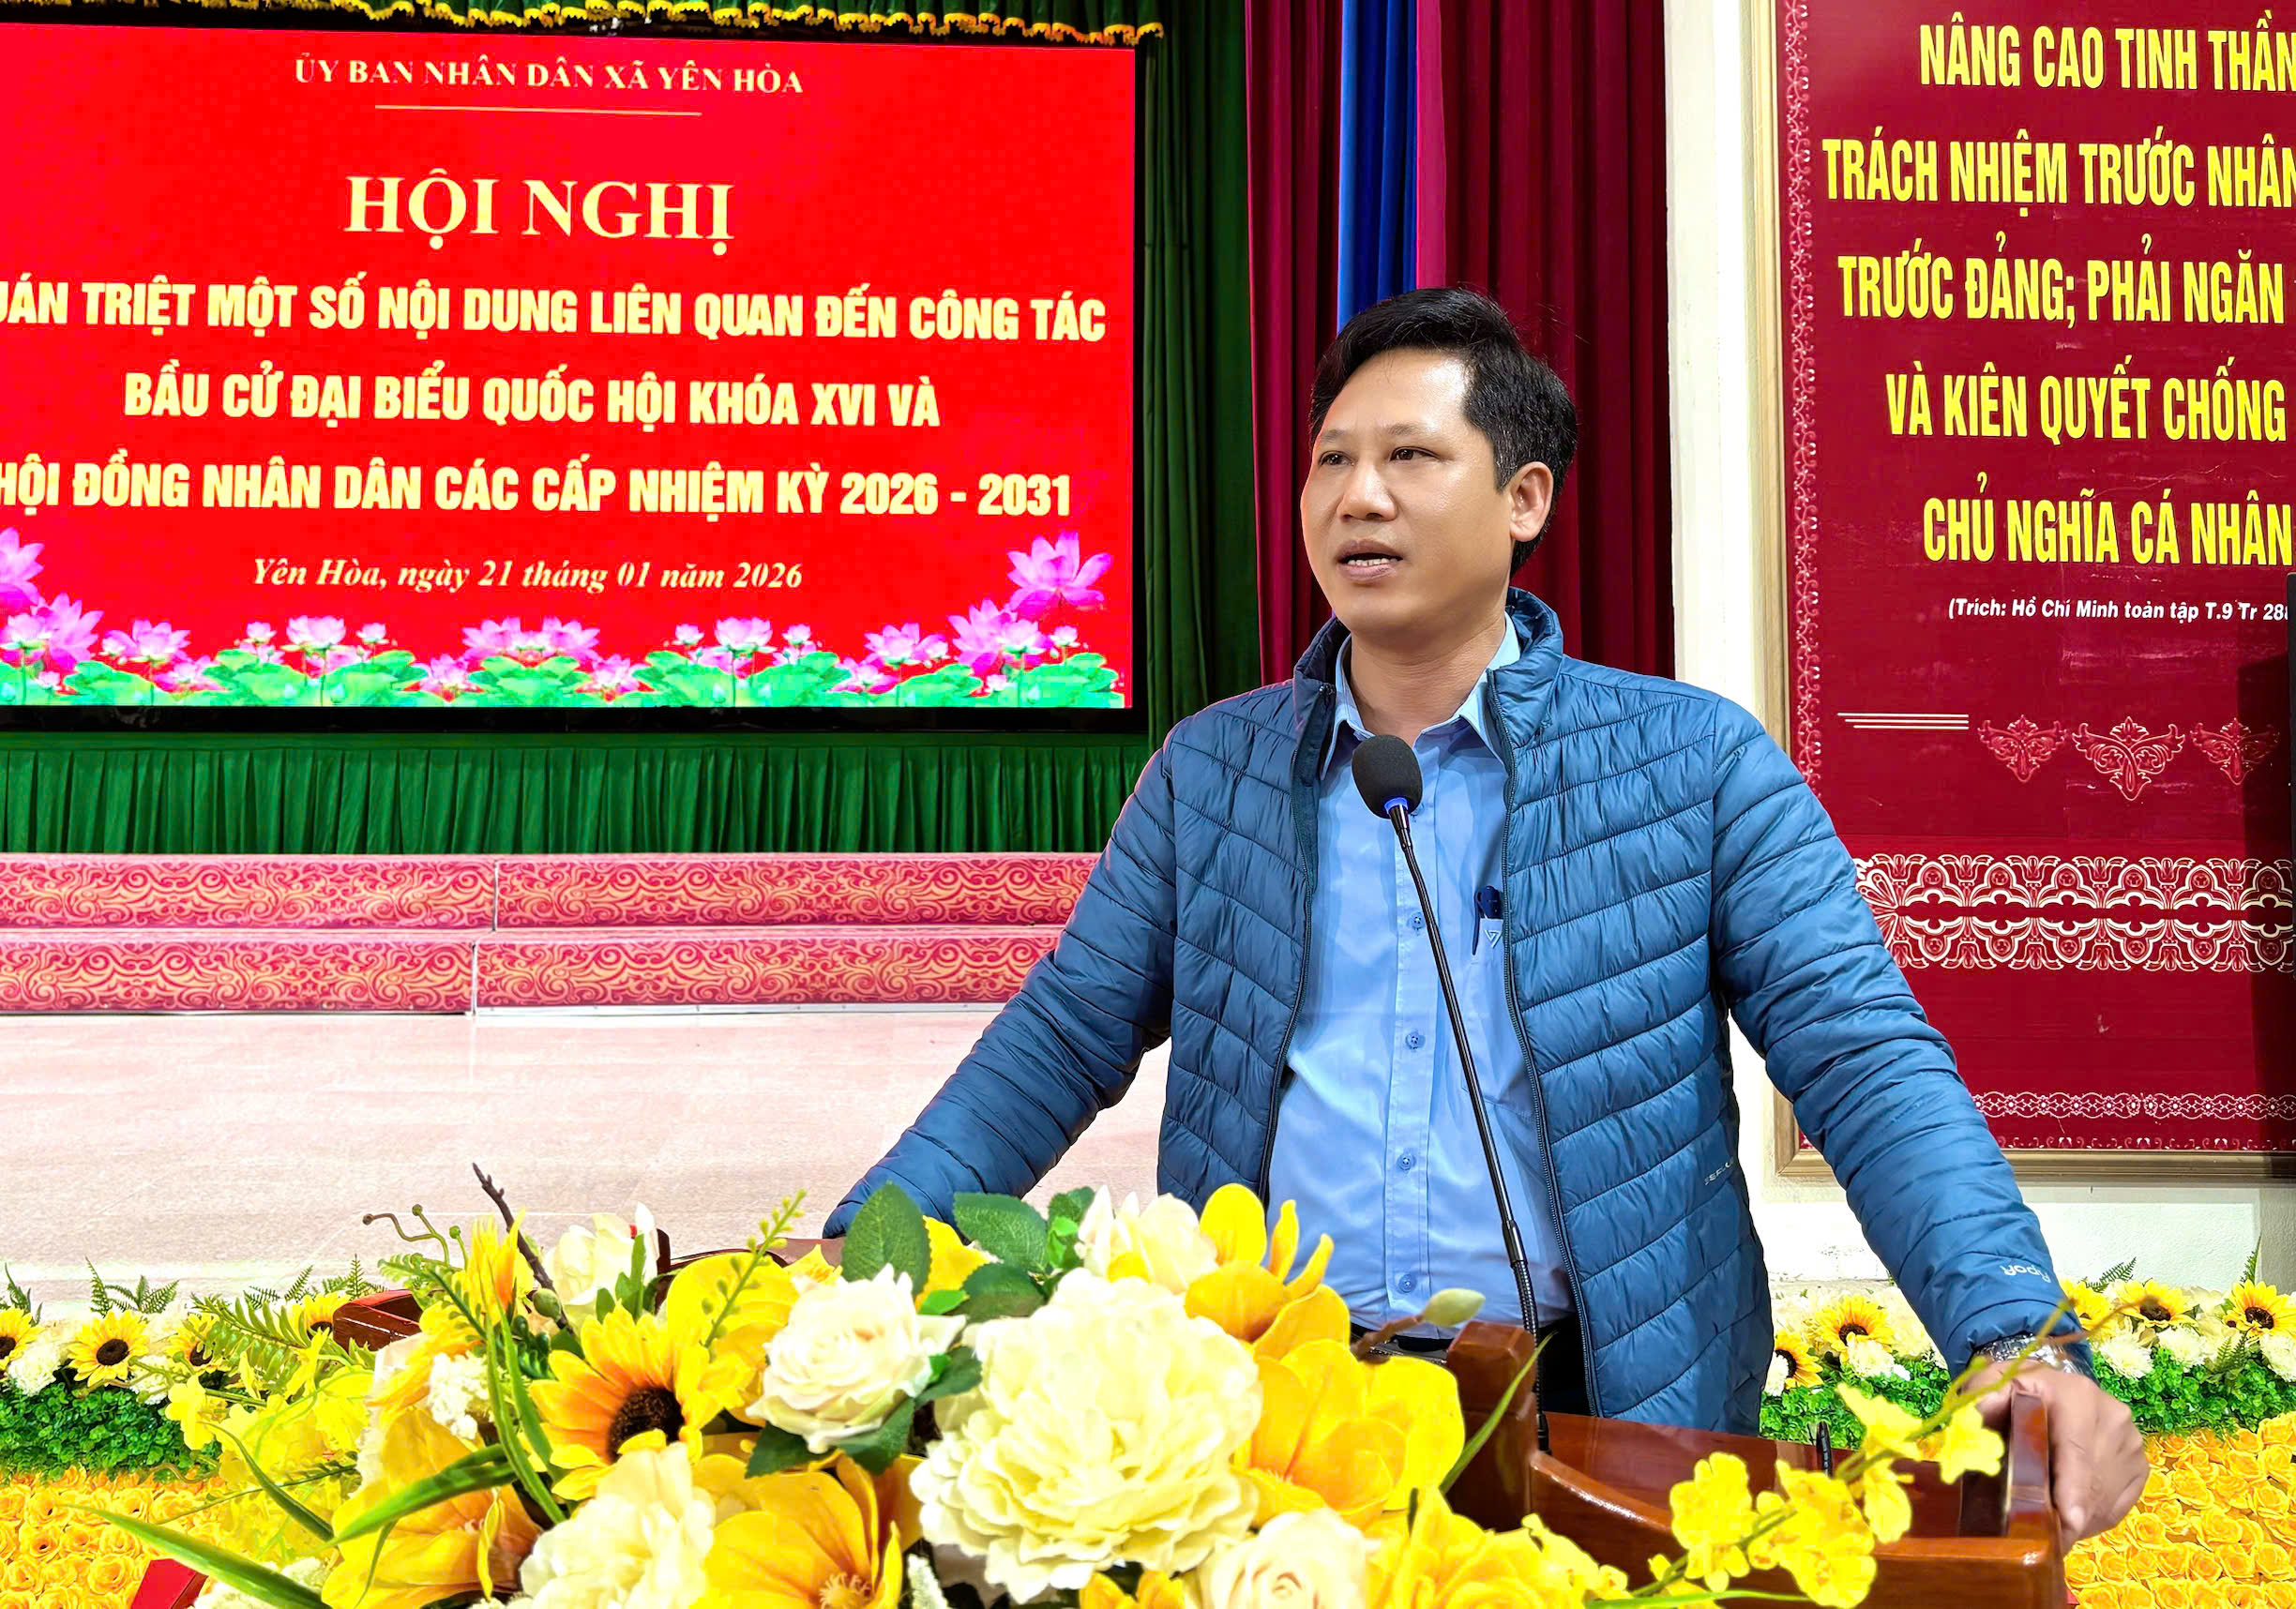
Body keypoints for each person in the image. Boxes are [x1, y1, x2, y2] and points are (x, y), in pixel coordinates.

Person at [827, 286, 2145, 1546]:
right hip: (1273, 1418)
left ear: (1525, 499)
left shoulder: (1692, 765)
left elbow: (1862, 1057)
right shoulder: (1212, 774)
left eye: (1410, 455)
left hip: (1600, 1414)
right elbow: (1063, 1038)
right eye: (1332, 461)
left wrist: (2015, 1339)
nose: (1358, 495)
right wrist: (864, 1253)